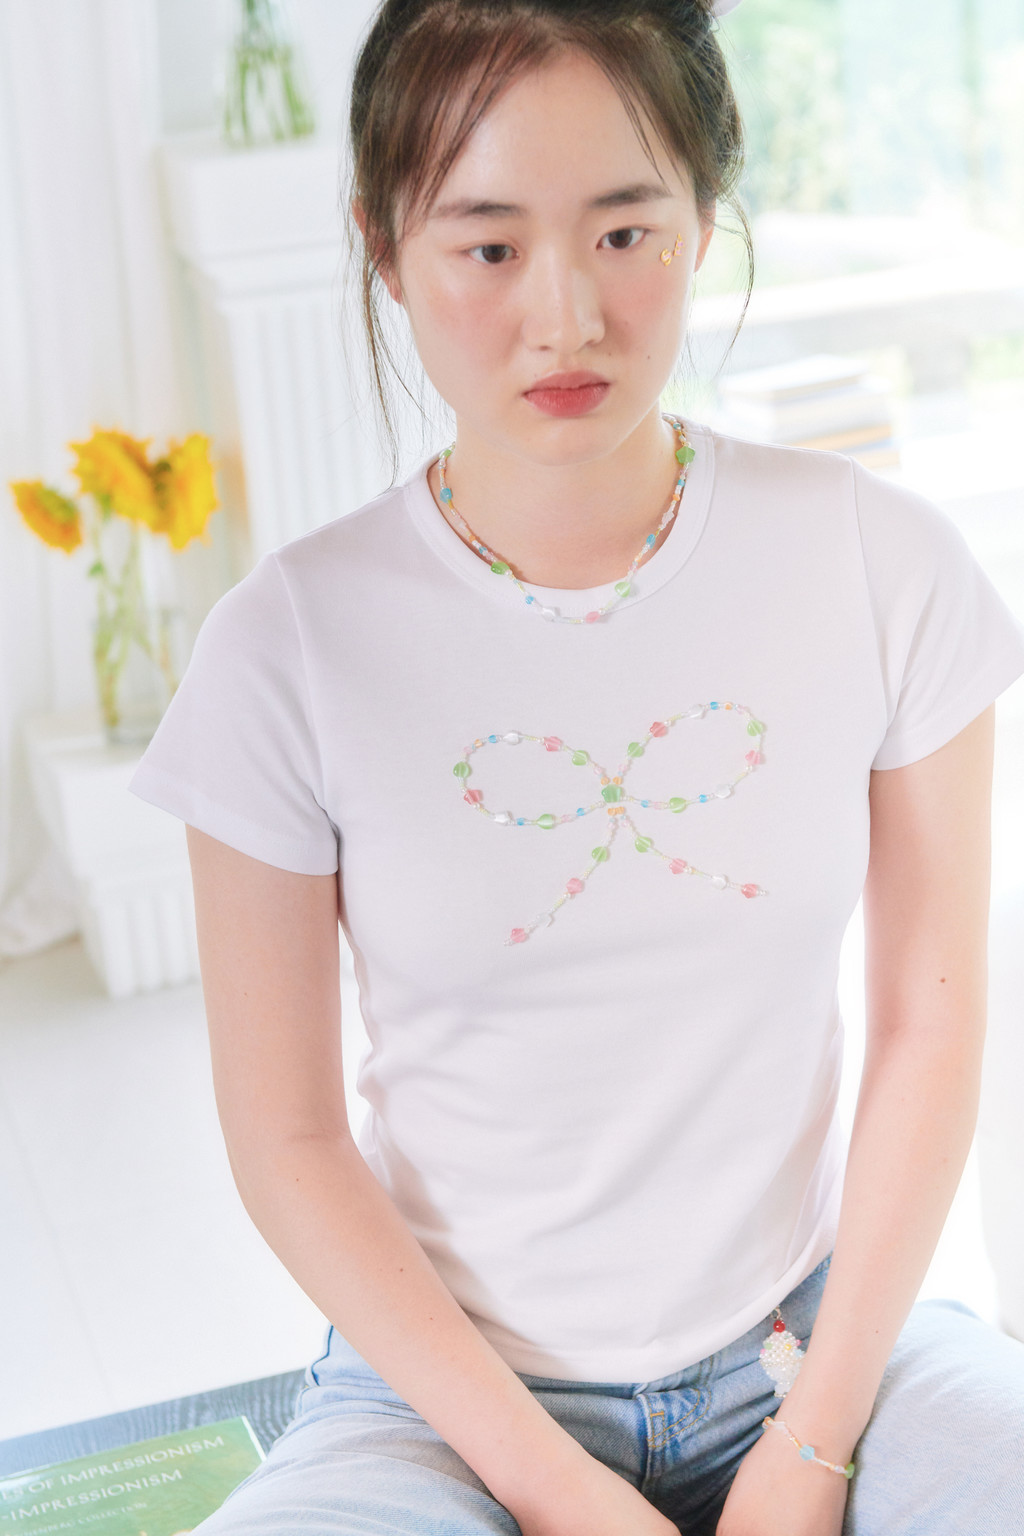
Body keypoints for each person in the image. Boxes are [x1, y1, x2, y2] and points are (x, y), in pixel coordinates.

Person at [127, 1, 1024, 1532]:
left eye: (624, 234)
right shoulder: (285, 647)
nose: (565, 317)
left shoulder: (883, 565)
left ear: (704, 219)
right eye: (488, 246)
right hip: (443, 1399)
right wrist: (554, 1490)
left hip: (823, 1347)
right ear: (383, 243)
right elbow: (288, 1139)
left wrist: (815, 1444)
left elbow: (927, 1030)